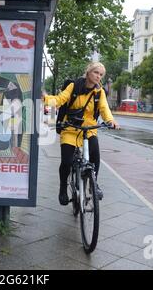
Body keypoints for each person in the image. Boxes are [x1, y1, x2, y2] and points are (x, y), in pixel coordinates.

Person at [42, 62, 120, 205]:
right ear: (89, 72)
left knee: (95, 155)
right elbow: (60, 99)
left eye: (101, 74)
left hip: (89, 129)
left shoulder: (99, 92)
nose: (98, 76)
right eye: (96, 72)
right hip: (70, 128)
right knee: (66, 162)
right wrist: (45, 99)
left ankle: (93, 183)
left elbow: (104, 108)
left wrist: (110, 120)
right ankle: (63, 188)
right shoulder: (74, 86)